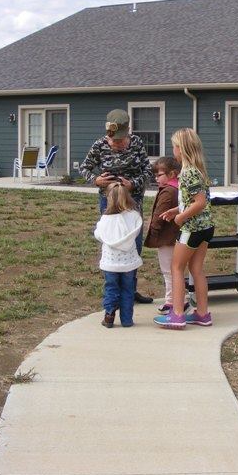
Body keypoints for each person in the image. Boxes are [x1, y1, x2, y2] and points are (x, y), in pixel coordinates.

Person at [80, 109, 154, 304]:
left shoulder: (137, 143)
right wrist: (96, 180)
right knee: (112, 242)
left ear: (128, 131)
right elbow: (84, 168)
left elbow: (148, 171)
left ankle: (130, 290)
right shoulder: (99, 145)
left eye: (120, 140)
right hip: (110, 202)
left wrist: (133, 184)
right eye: (114, 141)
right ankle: (113, 292)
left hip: (133, 201)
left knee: (133, 243)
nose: (117, 144)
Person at [153, 128, 215, 329]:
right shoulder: (199, 170)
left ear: (182, 148)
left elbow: (200, 203)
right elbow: (192, 200)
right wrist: (175, 210)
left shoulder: (188, 173)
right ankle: (203, 314)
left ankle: (177, 314)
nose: (173, 150)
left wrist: (181, 217)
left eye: (174, 146)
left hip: (192, 229)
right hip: (206, 227)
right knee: (196, 269)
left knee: (176, 267)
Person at [94, 183, 143, 327]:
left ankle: (109, 316)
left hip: (110, 262)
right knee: (128, 289)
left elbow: (98, 235)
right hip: (129, 262)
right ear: (128, 197)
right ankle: (127, 320)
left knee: (111, 288)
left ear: (109, 198)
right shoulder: (134, 216)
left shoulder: (106, 219)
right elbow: (136, 233)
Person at [144, 155, 187, 315]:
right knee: (175, 270)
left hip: (167, 238)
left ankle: (174, 302)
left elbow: (159, 214)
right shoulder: (178, 188)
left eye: (159, 175)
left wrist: (153, 231)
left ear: (172, 174)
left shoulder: (168, 191)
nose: (156, 178)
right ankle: (178, 300)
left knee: (169, 271)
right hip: (177, 237)